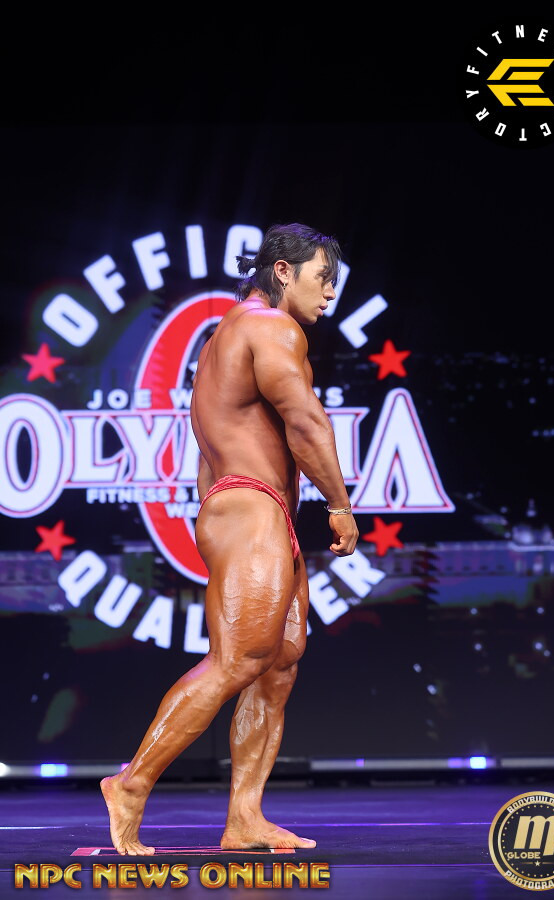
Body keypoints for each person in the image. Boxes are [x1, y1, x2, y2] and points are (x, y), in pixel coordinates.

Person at [100, 223, 359, 854]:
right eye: (322, 277)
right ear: (282, 271)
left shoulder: (226, 336)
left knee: (279, 661)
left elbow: (212, 441)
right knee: (238, 659)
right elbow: (306, 423)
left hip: (247, 507)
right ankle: (131, 784)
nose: (330, 292)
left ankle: (245, 816)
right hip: (252, 507)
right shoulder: (271, 328)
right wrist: (339, 504)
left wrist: (224, 513)